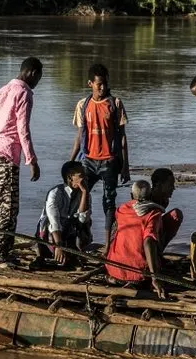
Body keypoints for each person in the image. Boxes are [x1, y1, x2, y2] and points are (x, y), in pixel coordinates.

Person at [0, 57, 43, 268]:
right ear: (33, 73)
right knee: (9, 207)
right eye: (39, 78)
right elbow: (22, 129)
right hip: (7, 153)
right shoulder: (23, 92)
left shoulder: (3, 90)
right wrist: (32, 160)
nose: (37, 82)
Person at [69, 63, 130, 251]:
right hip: (88, 159)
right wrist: (70, 163)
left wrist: (125, 166)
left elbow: (122, 137)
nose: (102, 88)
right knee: (80, 196)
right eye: (99, 84)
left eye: (104, 84)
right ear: (90, 84)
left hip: (109, 161)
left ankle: (107, 244)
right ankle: (80, 238)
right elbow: (80, 136)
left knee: (109, 201)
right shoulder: (83, 105)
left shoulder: (115, 103)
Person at [105, 180, 166, 298]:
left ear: (131, 195)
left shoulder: (121, 209)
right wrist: (155, 277)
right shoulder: (153, 213)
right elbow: (148, 241)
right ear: (151, 195)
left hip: (113, 270)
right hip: (137, 274)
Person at [31, 161, 92, 269]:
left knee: (83, 229)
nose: (85, 178)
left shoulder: (84, 194)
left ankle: (71, 255)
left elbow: (83, 219)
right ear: (70, 177)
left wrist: (84, 194)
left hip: (69, 230)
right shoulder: (55, 193)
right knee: (50, 230)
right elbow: (54, 222)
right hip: (53, 232)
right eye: (81, 175)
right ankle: (45, 254)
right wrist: (58, 245)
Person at [149, 168, 184, 250]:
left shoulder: (164, 201)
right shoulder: (147, 198)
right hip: (145, 232)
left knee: (176, 215)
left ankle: (159, 250)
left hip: (154, 229)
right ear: (159, 185)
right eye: (170, 185)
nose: (173, 188)